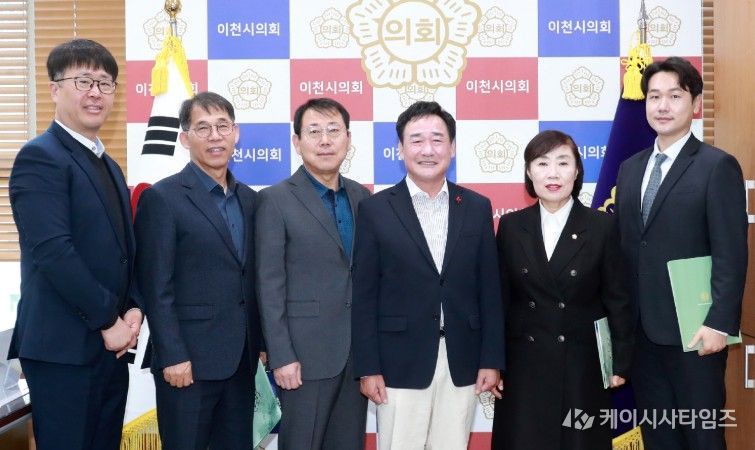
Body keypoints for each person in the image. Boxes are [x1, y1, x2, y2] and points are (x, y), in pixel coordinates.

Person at [7, 39, 141, 449]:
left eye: (105, 83)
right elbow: (54, 252)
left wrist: (134, 308)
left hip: (110, 347)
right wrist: (108, 322)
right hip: (63, 350)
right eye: (84, 81)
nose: (95, 92)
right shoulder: (40, 157)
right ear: (54, 89)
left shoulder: (108, 164)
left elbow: (124, 251)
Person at [351, 101, 505, 450]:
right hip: (398, 362)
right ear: (400, 149)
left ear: (452, 147)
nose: (428, 150)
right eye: (417, 140)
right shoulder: (375, 209)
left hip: (462, 360)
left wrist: (491, 359)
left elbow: (489, 290)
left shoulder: (477, 207)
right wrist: (368, 367)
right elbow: (364, 296)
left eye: (437, 139)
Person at [615, 57, 747, 450]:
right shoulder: (630, 169)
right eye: (654, 96)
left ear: (696, 104)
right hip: (642, 335)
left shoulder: (717, 166)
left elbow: (731, 252)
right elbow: (628, 246)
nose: (662, 105)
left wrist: (719, 323)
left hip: (696, 334)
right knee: (659, 438)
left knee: (702, 436)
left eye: (675, 96)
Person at [134, 91, 263, 449]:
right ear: (184, 138)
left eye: (222, 126)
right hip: (187, 364)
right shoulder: (162, 198)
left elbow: (252, 278)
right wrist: (173, 354)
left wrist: (262, 343)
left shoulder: (251, 200)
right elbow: (155, 286)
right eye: (203, 128)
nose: (214, 136)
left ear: (236, 133)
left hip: (241, 362)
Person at [491, 130, 634, 449]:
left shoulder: (602, 226)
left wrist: (620, 362)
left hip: (582, 367)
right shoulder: (512, 227)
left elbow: (618, 299)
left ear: (577, 171)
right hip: (523, 366)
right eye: (542, 163)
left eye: (563, 162)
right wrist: (494, 363)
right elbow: (500, 301)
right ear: (529, 173)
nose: (553, 173)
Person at [255, 97, 369, 450]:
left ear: (348, 138)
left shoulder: (362, 196)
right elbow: (269, 284)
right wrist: (281, 356)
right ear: (297, 141)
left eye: (334, 131)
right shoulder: (274, 200)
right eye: (314, 131)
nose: (325, 140)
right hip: (303, 358)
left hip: (356, 358)